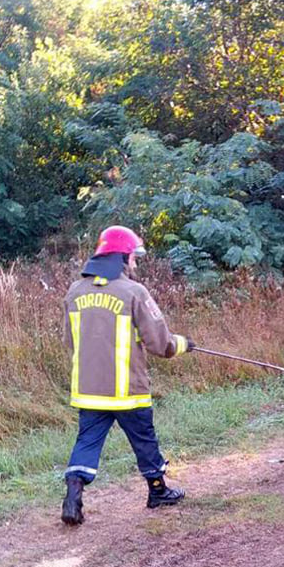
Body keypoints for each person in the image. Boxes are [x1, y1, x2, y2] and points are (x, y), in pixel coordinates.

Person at [61, 225, 194, 525]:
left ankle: (73, 493)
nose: (135, 263)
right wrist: (184, 344)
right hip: (127, 390)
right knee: (145, 441)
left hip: (89, 390)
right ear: (122, 257)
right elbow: (161, 344)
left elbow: (70, 342)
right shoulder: (134, 292)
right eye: (133, 257)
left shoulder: (75, 291)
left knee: (87, 442)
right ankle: (157, 491)